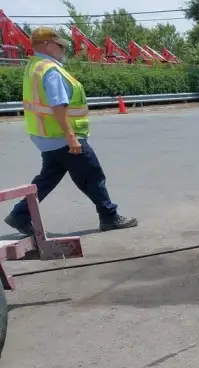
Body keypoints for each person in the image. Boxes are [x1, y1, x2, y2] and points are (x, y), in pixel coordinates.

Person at [4, 26, 137, 236]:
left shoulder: (34, 66)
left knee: (48, 178)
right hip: (62, 137)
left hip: (46, 136)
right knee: (92, 175)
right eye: (59, 45)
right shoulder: (51, 70)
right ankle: (109, 216)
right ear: (46, 45)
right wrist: (71, 137)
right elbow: (59, 106)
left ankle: (20, 215)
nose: (63, 50)